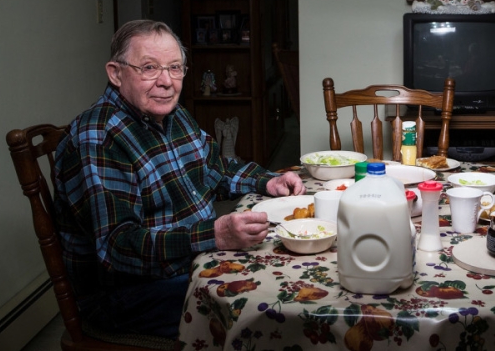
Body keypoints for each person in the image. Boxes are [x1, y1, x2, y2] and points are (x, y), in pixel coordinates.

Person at [52, 20, 305, 339]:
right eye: (149, 68)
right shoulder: (100, 138)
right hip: (129, 296)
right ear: (116, 73)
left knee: (283, 270)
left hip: (193, 263)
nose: (166, 81)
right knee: (272, 311)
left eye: (175, 68)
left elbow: (214, 169)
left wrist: (267, 181)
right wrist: (216, 235)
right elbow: (118, 248)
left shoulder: (172, 114)